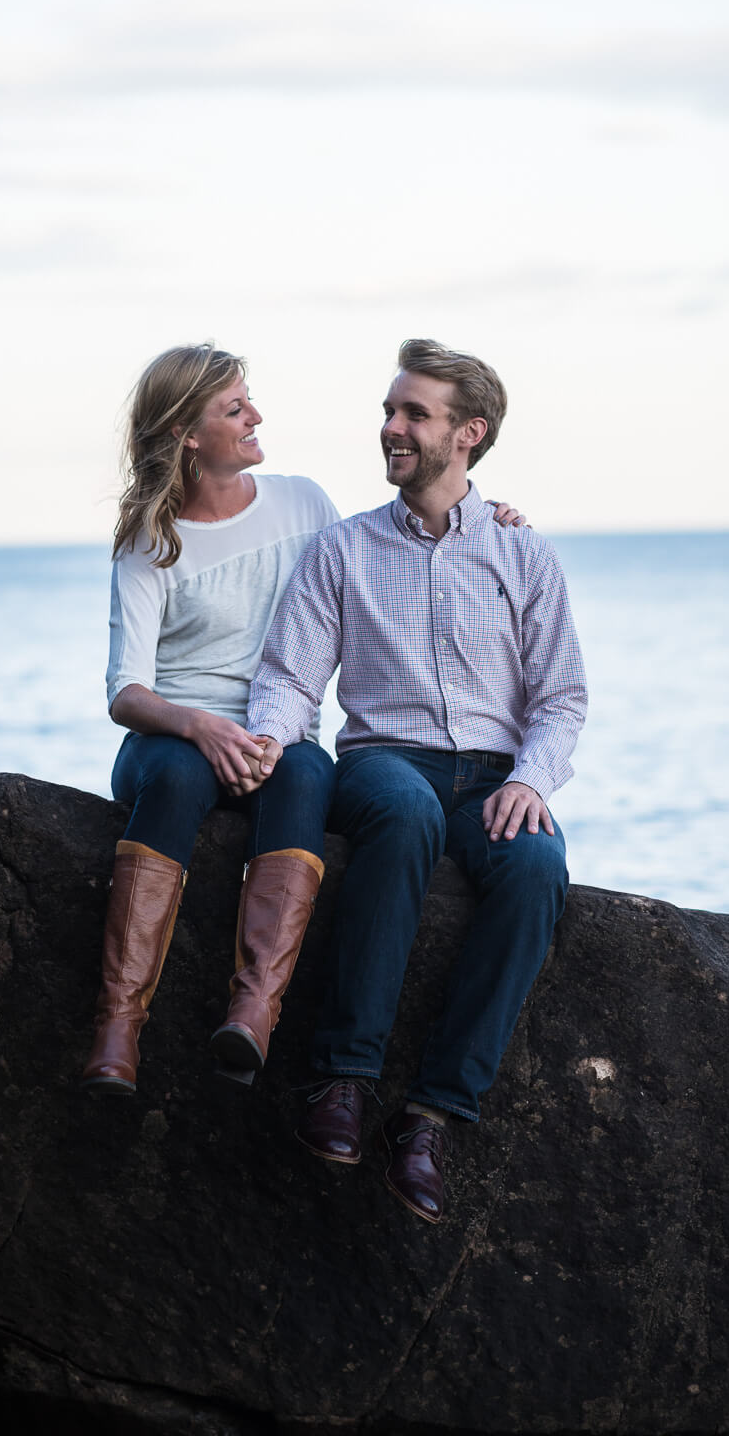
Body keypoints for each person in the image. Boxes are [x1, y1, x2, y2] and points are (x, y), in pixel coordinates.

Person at [81, 339, 530, 1096]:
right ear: (190, 435)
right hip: (172, 736)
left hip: (275, 734)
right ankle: (118, 1029)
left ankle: (254, 1009)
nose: (256, 414)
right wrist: (199, 726)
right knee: (180, 781)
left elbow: (394, 537)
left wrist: (490, 519)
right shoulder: (151, 541)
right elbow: (125, 692)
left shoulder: (302, 505)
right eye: (235, 407)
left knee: (308, 776)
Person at [243, 337, 587, 1222]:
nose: (391, 428)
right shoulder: (342, 550)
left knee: (539, 868)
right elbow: (288, 678)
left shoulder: (523, 554)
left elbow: (562, 698)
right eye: (390, 411)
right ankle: (343, 1081)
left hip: (492, 781)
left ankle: (431, 1117)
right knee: (400, 814)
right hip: (383, 764)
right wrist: (267, 747)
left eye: (413, 415)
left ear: (467, 434)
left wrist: (534, 782)